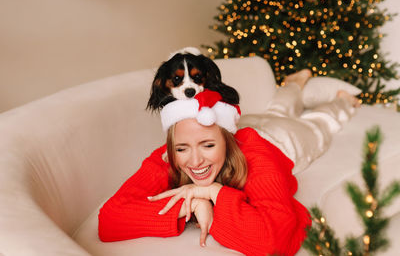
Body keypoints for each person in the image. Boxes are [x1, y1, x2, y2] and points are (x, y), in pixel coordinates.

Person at [98, 71, 359, 256]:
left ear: (227, 141)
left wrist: (213, 193)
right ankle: (294, 84)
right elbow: (109, 219)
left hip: (283, 142)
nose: (195, 160)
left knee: (315, 124)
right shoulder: (168, 156)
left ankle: (341, 102)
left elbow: (274, 242)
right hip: (250, 123)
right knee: (274, 112)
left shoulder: (254, 156)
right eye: (182, 148)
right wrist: (190, 202)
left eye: (208, 146)